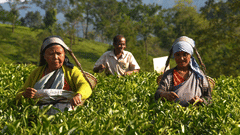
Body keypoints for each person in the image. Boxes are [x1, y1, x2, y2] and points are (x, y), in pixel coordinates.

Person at [16, 36, 92, 115]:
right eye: (51, 54)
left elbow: (85, 85)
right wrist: (25, 94)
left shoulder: (71, 71)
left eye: (59, 53)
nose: (55, 57)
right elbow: (19, 93)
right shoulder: (36, 73)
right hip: (39, 113)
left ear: (64, 54)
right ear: (44, 56)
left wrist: (79, 95)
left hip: (65, 113)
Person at [155, 36, 211, 107]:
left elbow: (209, 98)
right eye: (177, 55)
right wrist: (164, 95)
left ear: (190, 55)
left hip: (197, 115)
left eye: (185, 54)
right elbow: (157, 93)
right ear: (174, 56)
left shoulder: (199, 75)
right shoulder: (169, 75)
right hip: (174, 115)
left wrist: (201, 101)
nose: (181, 58)